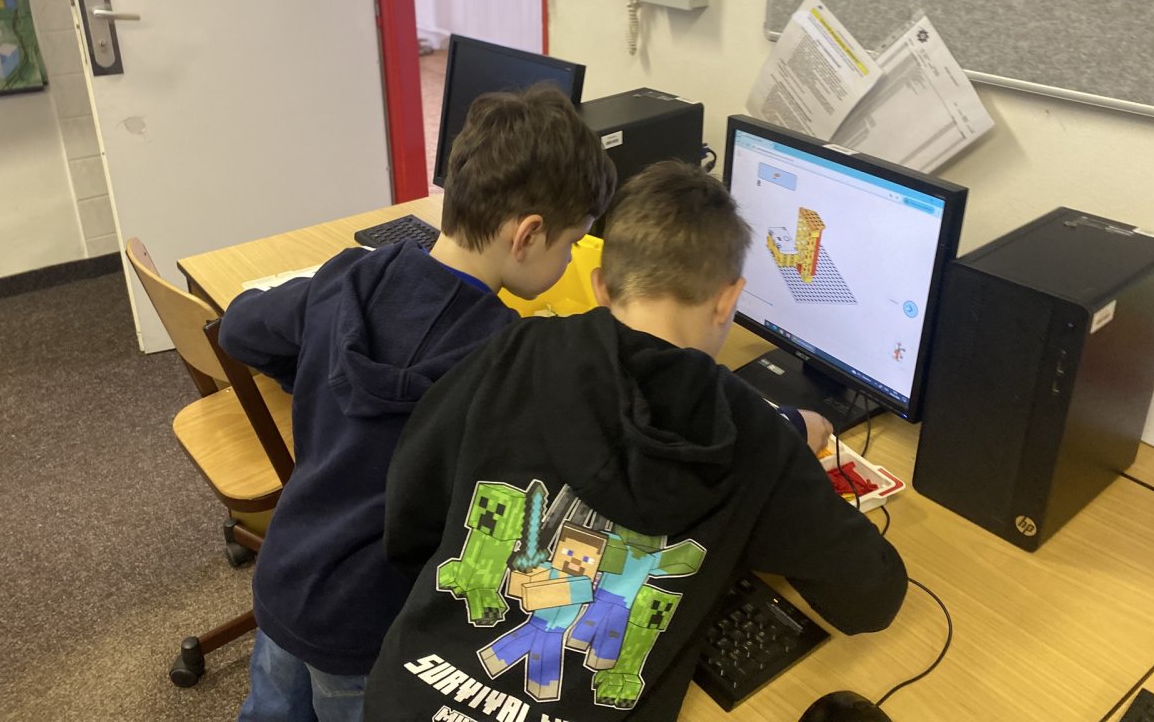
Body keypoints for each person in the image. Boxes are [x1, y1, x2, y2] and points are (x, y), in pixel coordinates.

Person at [365, 160, 907, 719]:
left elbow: (410, 511)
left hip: (406, 702)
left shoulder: (517, 348)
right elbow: (871, 598)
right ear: (728, 299)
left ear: (601, 285)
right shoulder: (756, 437)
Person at [219, 84, 617, 722]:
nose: (570, 259)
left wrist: (315, 369)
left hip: (287, 573)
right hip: (368, 620)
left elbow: (239, 326)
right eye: (572, 244)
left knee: (271, 710)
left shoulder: (350, 276)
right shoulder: (505, 360)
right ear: (528, 235)